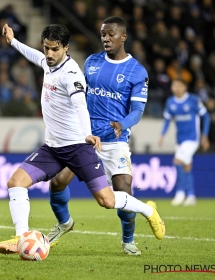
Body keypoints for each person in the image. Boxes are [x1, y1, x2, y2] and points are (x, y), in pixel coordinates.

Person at [0, 23, 165, 255]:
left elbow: (80, 104)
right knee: (15, 183)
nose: (49, 54)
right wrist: (13, 41)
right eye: (46, 48)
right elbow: (35, 56)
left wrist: (87, 133)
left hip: (76, 147)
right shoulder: (47, 61)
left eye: (54, 49)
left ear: (66, 48)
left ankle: (147, 209)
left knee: (106, 200)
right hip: (52, 148)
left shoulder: (71, 73)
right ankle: (21, 237)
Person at [47, 16, 149, 256]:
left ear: (123, 36)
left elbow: (137, 111)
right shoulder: (92, 62)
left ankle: (128, 240)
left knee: (123, 192)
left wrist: (122, 124)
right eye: (103, 34)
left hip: (114, 141)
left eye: (111, 34)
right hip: (84, 139)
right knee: (57, 182)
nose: (106, 38)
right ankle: (64, 224)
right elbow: (77, 96)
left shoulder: (137, 71)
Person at [158, 78, 210, 206]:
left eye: (179, 86)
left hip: (192, 138)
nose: (176, 88)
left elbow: (206, 116)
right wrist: (162, 135)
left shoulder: (193, 100)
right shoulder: (170, 102)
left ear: (184, 87)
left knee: (177, 161)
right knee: (186, 166)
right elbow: (167, 120)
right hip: (179, 139)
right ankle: (191, 196)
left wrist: (205, 136)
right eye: (174, 86)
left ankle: (180, 193)